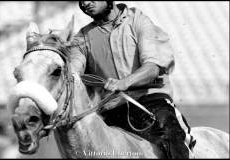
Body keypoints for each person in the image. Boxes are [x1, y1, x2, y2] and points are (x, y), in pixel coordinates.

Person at [68, 1, 196, 158]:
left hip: (150, 102)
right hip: (110, 111)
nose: (85, 3)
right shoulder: (81, 38)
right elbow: (72, 74)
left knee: (169, 132)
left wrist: (124, 83)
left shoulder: (138, 21)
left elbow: (152, 67)